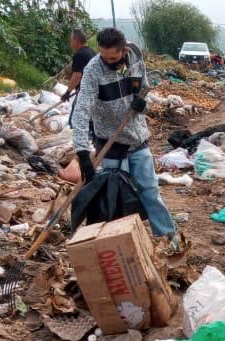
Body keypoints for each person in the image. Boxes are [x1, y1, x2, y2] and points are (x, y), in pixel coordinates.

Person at [70, 28, 180, 248]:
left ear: (124, 50)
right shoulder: (93, 70)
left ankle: (169, 238)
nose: (108, 61)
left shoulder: (136, 57)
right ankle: (120, 243)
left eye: (113, 57)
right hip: (110, 144)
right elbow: (81, 109)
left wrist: (142, 104)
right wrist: (82, 152)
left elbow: (145, 87)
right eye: (104, 56)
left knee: (149, 191)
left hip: (137, 138)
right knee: (116, 198)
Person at [61, 29, 96, 127]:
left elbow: (77, 76)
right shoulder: (92, 52)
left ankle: (73, 139)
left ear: (76, 41)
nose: (71, 43)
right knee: (90, 120)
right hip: (95, 92)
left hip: (85, 93)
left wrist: (67, 92)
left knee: (74, 120)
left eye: (71, 40)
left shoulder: (79, 55)